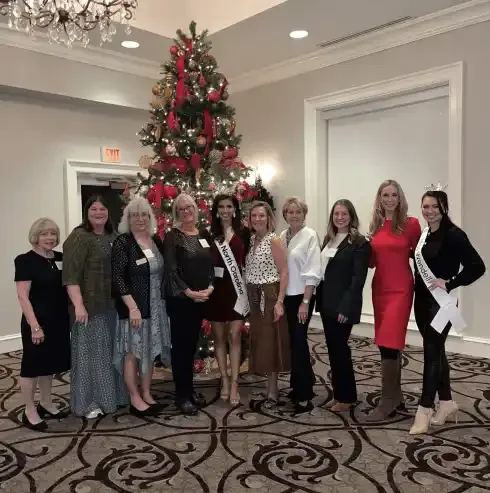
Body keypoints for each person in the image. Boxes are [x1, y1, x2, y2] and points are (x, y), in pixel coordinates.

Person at [409, 187, 485, 434]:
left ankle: (424, 410)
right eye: (426, 206)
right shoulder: (425, 234)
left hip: (441, 305)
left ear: (444, 208)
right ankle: (447, 403)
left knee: (431, 354)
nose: (429, 211)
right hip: (422, 302)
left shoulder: (454, 235)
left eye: (435, 206)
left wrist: (451, 282)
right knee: (437, 351)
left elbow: (477, 266)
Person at [63, 195, 128, 418]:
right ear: (87, 212)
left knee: (111, 354)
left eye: (102, 209)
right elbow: (70, 276)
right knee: (91, 357)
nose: (98, 213)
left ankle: (114, 397)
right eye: (94, 209)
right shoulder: (79, 237)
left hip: (113, 306)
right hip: (89, 308)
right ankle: (89, 402)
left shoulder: (114, 236)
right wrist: (78, 306)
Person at [366, 180, 421, 421]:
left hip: (401, 290)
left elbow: (421, 256)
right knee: (386, 343)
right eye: (385, 195)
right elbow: (371, 262)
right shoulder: (375, 226)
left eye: (394, 195)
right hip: (380, 289)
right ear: (379, 198)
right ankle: (395, 396)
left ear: (400, 198)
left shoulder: (411, 224)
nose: (389, 199)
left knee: (390, 341)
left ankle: (387, 399)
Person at [112, 197, 171, 418]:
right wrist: (132, 308)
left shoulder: (155, 241)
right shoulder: (123, 242)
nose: (140, 219)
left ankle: (146, 393)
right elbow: (117, 278)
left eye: (144, 214)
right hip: (133, 309)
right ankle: (134, 398)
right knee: (132, 353)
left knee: (149, 352)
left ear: (150, 217)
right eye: (134, 215)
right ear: (127, 219)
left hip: (156, 308)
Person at [14, 218, 70, 431]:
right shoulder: (25, 261)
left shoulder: (60, 258)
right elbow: (22, 296)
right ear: (35, 237)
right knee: (32, 367)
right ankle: (29, 410)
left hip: (58, 320)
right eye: (44, 234)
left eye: (53, 233)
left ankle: (46, 402)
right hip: (37, 322)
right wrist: (35, 327)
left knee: (50, 364)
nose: (50, 238)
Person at [317, 200, 370, 412]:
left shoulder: (359, 242)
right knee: (333, 349)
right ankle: (339, 394)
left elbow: (358, 279)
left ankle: (347, 397)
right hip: (326, 302)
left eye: (344, 214)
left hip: (342, 305)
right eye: (336, 214)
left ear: (351, 216)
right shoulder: (329, 240)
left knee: (340, 349)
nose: (340, 218)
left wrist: (346, 307)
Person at [164, 193, 214, 416]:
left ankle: (189, 389)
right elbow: (171, 270)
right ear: (176, 213)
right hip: (181, 301)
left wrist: (210, 288)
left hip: (200, 299)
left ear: (196, 209)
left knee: (192, 347)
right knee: (181, 349)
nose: (186, 212)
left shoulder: (204, 235)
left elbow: (212, 266)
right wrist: (188, 292)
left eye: (189, 207)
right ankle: (182, 396)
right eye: (181, 209)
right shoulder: (172, 236)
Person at [206, 194, 250, 406]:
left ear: (235, 209)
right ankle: (223, 378)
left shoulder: (244, 233)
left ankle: (234, 383)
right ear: (216, 210)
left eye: (229, 206)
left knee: (235, 336)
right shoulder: (209, 234)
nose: (225, 210)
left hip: (236, 291)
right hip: (215, 291)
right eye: (221, 207)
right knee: (219, 337)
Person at [246, 201, 290, 409]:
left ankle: (273, 391)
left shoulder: (274, 240)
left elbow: (284, 271)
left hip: (270, 296)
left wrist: (280, 301)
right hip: (254, 297)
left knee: (272, 343)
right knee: (262, 342)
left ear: (268, 218)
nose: (257, 219)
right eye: (254, 216)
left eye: (261, 215)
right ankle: (268, 388)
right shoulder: (251, 240)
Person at [279, 197, 321, 414]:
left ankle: (304, 395)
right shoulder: (281, 236)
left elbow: (313, 271)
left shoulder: (310, 235)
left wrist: (305, 302)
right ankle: (299, 384)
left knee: (298, 341)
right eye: (290, 212)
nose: (294, 215)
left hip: (303, 297)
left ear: (304, 214)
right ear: (285, 215)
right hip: (286, 297)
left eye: (298, 212)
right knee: (293, 342)